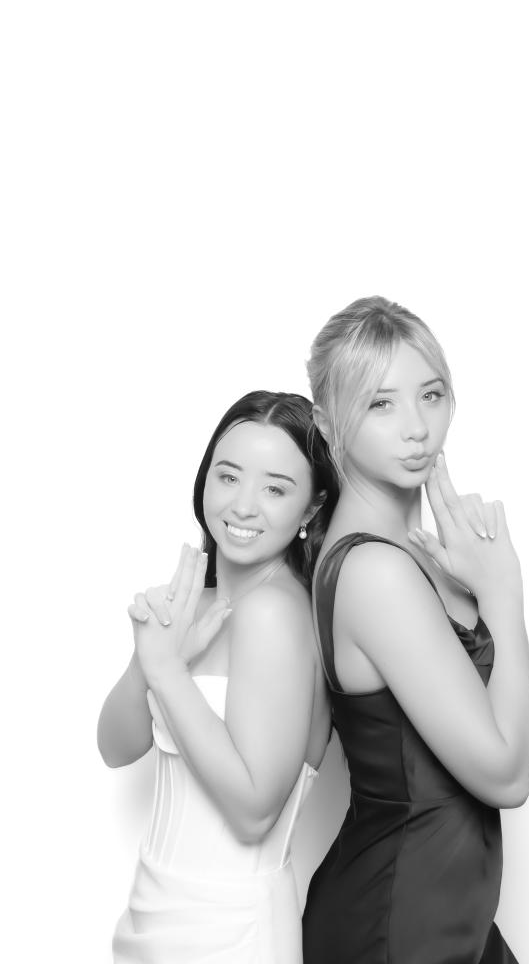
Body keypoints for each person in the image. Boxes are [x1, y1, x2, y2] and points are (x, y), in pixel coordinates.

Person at [302, 297, 529, 964]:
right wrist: (503, 595)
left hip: (446, 907)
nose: (416, 428)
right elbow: (506, 777)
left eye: (430, 395)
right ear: (327, 421)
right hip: (400, 921)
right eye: (380, 403)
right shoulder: (375, 572)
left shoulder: (420, 556)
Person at [98, 390, 338, 964]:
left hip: (230, 928)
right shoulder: (197, 604)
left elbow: (254, 812)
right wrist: (149, 659)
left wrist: (167, 672)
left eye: (275, 489)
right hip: (155, 910)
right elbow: (115, 748)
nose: (243, 506)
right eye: (228, 476)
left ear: (311, 510)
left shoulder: (275, 613)